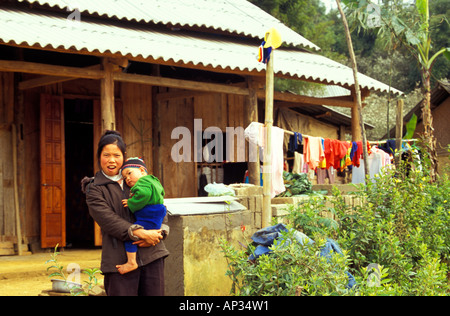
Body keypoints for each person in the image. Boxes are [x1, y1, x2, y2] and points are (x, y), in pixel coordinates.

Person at [81, 130, 169, 296]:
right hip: (118, 260)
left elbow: (158, 205)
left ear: (124, 157)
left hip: (152, 254)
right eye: (106, 155)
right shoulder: (94, 188)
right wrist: (140, 233)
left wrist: (161, 233)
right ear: (99, 155)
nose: (112, 160)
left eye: (117, 155)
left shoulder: (135, 179)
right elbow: (108, 220)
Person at [116, 157, 167, 275]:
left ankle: (131, 262)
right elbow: (162, 193)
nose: (127, 178)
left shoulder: (142, 182)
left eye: (129, 173)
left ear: (142, 171)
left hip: (149, 214)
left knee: (131, 236)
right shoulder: (154, 181)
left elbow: (143, 195)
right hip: (158, 212)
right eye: (124, 177)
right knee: (151, 231)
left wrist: (130, 203)